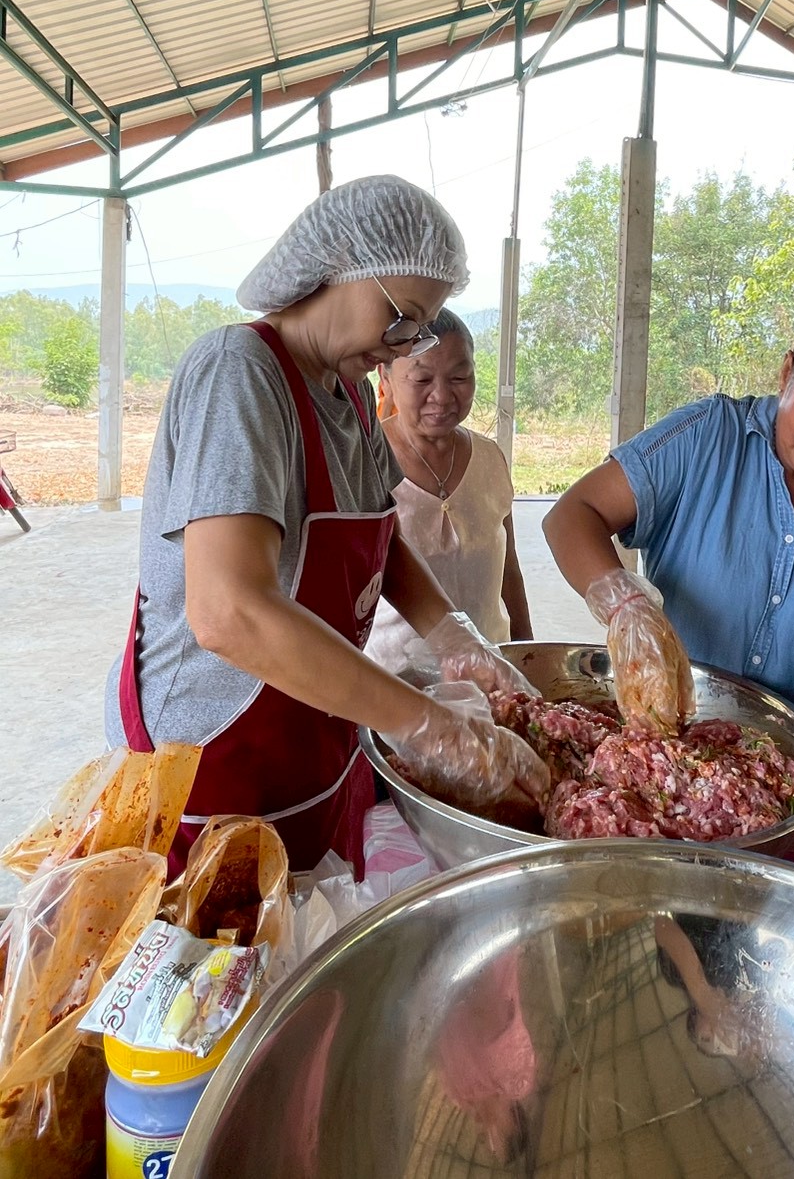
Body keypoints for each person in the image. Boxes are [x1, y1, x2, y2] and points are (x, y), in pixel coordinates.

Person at [104, 175, 547, 878]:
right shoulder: (240, 374)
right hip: (211, 772)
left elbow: (380, 540)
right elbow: (228, 610)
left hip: (312, 747)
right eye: (401, 316)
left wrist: (453, 633)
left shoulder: (349, 397)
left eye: (423, 327)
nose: (405, 346)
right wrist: (427, 725)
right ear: (337, 264)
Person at [543, 270, 794, 767]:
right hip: (666, 748)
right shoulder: (706, 437)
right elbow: (572, 514)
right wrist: (626, 608)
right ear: (787, 372)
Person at [368, 309, 532, 675]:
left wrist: (525, 652)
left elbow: (509, 567)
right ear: (387, 377)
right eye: (421, 378)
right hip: (396, 687)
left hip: (491, 675)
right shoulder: (364, 460)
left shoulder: (490, 457)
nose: (441, 397)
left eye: (459, 377)